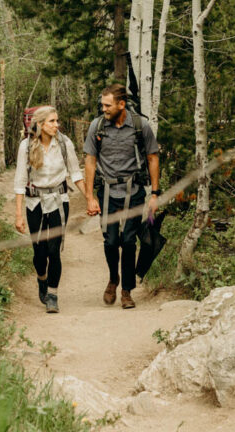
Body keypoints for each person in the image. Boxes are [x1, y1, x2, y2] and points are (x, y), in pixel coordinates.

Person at [83, 84, 160, 309]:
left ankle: (126, 290)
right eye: (102, 104)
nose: (103, 108)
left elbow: (153, 157)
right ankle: (113, 280)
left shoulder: (140, 126)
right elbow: (90, 160)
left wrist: (154, 194)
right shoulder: (97, 126)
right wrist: (89, 196)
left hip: (133, 191)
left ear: (121, 104)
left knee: (128, 241)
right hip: (107, 192)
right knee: (111, 241)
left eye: (108, 105)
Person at [14, 106, 87, 313]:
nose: (57, 125)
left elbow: (76, 174)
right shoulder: (26, 147)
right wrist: (18, 215)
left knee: (54, 250)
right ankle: (42, 279)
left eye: (57, 120)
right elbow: (20, 181)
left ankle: (53, 294)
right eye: (52, 121)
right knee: (40, 251)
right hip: (34, 202)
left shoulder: (64, 143)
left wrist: (90, 199)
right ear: (39, 124)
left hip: (58, 200)